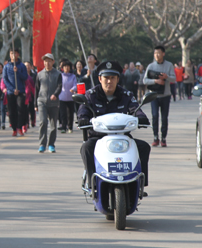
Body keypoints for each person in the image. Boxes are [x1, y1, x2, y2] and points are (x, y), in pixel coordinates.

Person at [78, 60, 151, 189]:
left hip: (123, 137)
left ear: (118, 79)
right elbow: (83, 110)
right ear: (100, 79)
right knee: (86, 147)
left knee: (144, 147)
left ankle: (139, 184)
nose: (109, 81)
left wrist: (141, 117)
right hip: (98, 137)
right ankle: (92, 183)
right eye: (106, 78)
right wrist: (83, 118)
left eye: (113, 78)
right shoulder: (90, 95)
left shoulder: (126, 95)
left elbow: (135, 108)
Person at [143, 46, 176, 147]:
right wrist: (155, 81)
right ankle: (155, 137)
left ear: (163, 54)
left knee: (164, 117)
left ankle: (163, 138)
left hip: (165, 95)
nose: (157, 55)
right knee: (154, 116)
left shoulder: (169, 65)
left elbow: (174, 79)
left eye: (158, 53)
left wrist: (167, 77)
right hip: (154, 96)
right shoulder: (151, 66)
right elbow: (145, 80)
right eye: (155, 53)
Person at [35, 54, 62, 153]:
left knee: (53, 125)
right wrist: (35, 104)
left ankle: (51, 144)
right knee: (43, 122)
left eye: (49, 61)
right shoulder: (39, 74)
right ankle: (42, 144)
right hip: (42, 101)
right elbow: (36, 89)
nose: (47, 63)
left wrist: (55, 94)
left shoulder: (58, 74)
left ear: (53, 62)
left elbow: (60, 86)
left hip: (54, 103)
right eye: (45, 61)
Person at [3, 48, 28, 137]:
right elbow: (5, 79)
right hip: (11, 92)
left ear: (18, 54)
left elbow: (25, 77)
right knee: (12, 111)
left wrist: (18, 72)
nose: (13, 55)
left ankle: (20, 127)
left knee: (20, 110)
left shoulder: (22, 66)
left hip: (21, 91)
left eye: (15, 53)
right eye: (11, 53)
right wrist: (13, 89)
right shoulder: (6, 67)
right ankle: (14, 129)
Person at [58, 60, 77, 134]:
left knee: (70, 113)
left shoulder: (73, 76)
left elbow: (75, 85)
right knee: (63, 114)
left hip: (70, 98)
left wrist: (73, 89)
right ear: (62, 68)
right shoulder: (60, 76)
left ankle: (70, 127)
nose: (66, 68)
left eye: (68, 66)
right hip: (62, 97)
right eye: (65, 66)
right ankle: (63, 127)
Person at [24, 61, 36, 128]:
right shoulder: (22, 75)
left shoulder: (34, 75)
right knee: (26, 109)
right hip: (25, 94)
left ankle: (33, 121)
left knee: (32, 109)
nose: (27, 67)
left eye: (28, 65)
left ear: (31, 66)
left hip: (32, 94)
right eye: (25, 65)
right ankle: (27, 122)